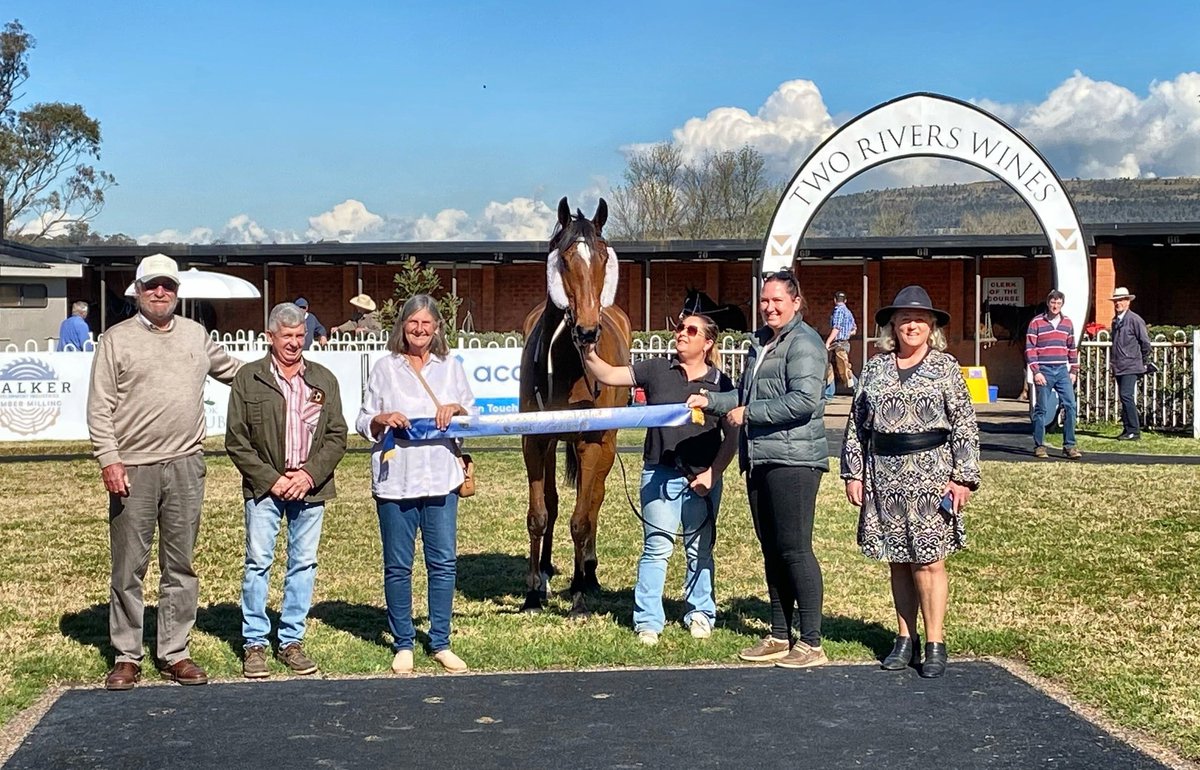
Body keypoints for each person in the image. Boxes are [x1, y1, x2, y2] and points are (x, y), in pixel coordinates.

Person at [87, 253, 241, 690]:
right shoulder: (115, 340)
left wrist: (284, 371)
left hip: (186, 465)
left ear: (177, 292)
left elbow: (236, 373)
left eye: (168, 286)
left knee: (181, 565)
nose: (160, 292)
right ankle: (126, 655)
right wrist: (109, 459)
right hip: (132, 467)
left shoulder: (196, 335)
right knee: (128, 568)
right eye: (152, 285)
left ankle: (174, 652)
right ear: (137, 290)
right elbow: (99, 407)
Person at [686, 270, 830, 669]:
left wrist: (748, 414)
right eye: (764, 300)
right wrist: (711, 401)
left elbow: (803, 401)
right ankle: (780, 634)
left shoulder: (806, 343)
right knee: (772, 551)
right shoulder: (761, 343)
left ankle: (812, 642)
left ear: (796, 302)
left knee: (795, 550)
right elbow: (746, 395)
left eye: (777, 300)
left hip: (795, 461)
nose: (769, 307)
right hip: (760, 456)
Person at [841, 285, 981, 679]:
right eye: (904, 318)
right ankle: (906, 638)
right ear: (892, 325)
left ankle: (935, 641)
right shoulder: (874, 368)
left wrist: (963, 478)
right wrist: (854, 473)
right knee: (898, 560)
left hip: (932, 474)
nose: (912, 324)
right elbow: (857, 425)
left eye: (920, 318)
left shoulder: (947, 368)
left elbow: (965, 425)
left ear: (932, 325)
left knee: (929, 561)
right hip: (884, 475)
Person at [583, 314, 739, 645]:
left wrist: (714, 474)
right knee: (656, 549)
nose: (682, 333)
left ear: (707, 343)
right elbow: (609, 374)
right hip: (659, 473)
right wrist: (590, 353)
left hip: (702, 478)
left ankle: (699, 613)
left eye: (691, 330)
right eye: (680, 328)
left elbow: (732, 437)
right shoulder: (656, 369)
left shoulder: (721, 384)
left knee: (700, 550)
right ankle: (648, 621)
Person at [225, 302, 348, 679]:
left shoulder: (324, 379)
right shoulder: (249, 379)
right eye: (287, 336)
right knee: (258, 564)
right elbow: (236, 440)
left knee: (303, 565)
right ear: (270, 338)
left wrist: (308, 475)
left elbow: (336, 435)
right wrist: (272, 479)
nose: (294, 343)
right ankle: (255, 644)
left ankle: (291, 640)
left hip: (310, 488)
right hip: (265, 489)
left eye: (300, 336)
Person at [356, 294, 476, 675]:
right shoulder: (384, 368)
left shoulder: (451, 367)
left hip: (440, 477)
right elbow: (362, 421)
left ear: (437, 328)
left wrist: (455, 410)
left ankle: (440, 641)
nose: (419, 330)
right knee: (398, 565)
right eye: (413, 323)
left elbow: (471, 415)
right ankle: (404, 642)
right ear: (402, 326)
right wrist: (382, 418)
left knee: (443, 563)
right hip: (397, 479)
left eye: (427, 324)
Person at [1025, 289, 1081, 459]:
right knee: (1041, 408)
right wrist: (1036, 371)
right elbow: (1030, 348)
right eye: (1052, 302)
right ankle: (1040, 445)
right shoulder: (1036, 323)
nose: (1055, 306)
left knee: (1070, 406)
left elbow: (1072, 347)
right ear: (1048, 303)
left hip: (1062, 371)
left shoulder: (1067, 323)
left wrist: (1073, 370)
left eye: (1058, 303)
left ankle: (1069, 446)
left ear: (1062, 304)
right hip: (1044, 370)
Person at [1109, 287, 1153, 441]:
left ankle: (1134, 430)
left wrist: (1140, 360)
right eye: (1116, 300)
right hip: (1119, 365)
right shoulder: (1115, 321)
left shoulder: (1135, 320)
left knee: (1126, 395)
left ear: (1128, 302)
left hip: (1131, 365)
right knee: (1124, 396)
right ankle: (1128, 429)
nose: (1118, 303)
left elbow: (1145, 343)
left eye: (1121, 300)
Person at [825, 290, 857, 392]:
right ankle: (828, 393)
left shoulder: (838, 310)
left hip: (838, 343)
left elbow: (836, 328)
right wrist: (846, 333)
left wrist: (828, 342)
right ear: (845, 300)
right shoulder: (848, 312)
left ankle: (859, 389)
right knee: (834, 367)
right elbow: (854, 330)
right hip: (845, 342)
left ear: (835, 300)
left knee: (844, 370)